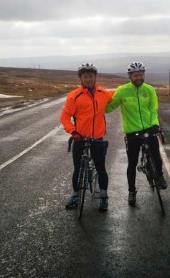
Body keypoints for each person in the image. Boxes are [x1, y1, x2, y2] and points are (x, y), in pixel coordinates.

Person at [106, 62, 167, 206]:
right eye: (135, 75)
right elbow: (110, 107)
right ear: (130, 76)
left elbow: (153, 109)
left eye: (141, 74)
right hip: (132, 133)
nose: (138, 77)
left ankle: (160, 176)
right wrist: (97, 103)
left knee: (156, 157)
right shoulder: (122, 91)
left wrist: (155, 125)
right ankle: (132, 191)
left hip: (149, 129)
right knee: (132, 163)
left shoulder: (149, 89)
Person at [60, 63, 113, 211]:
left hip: (97, 138)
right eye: (85, 76)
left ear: (95, 77)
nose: (88, 79)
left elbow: (118, 95)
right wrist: (73, 132)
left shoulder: (103, 93)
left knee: (101, 168)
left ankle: (103, 197)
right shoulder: (74, 96)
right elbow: (65, 116)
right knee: (77, 168)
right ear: (81, 79)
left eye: (91, 76)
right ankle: (75, 196)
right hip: (80, 138)